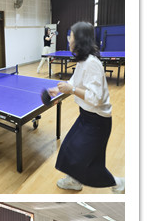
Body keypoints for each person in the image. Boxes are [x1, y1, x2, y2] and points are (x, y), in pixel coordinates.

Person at [47, 22, 124, 193]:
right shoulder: (83, 61)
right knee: (69, 148)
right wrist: (58, 89)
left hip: (98, 120)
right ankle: (74, 181)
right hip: (86, 116)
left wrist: (72, 90)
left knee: (90, 164)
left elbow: (95, 98)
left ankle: (118, 183)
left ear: (80, 40)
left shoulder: (92, 63)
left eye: (72, 37)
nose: (69, 39)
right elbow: (73, 82)